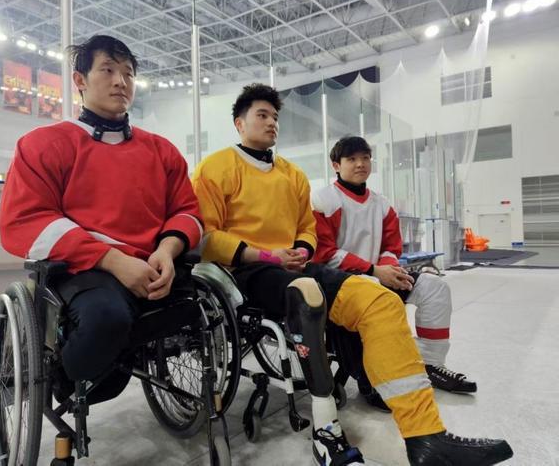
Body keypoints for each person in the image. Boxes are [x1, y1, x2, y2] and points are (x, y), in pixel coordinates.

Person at [192, 83, 513, 466]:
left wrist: (302, 250)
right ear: (239, 123)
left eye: (275, 116)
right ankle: (326, 428)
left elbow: (307, 228)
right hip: (247, 271)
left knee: (378, 299)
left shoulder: (292, 175)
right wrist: (267, 255)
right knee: (308, 296)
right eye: (262, 115)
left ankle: (426, 436)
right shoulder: (216, 168)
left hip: (296, 265)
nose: (272, 122)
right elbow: (206, 236)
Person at [0, 35, 203, 403]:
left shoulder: (162, 151)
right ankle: (65, 378)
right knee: (107, 321)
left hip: (155, 268)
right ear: (80, 80)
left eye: (128, 73)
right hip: (85, 270)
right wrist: (113, 260)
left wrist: (167, 251)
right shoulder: (44, 145)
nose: (120, 81)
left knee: (203, 307)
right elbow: (25, 218)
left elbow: (187, 211)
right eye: (107, 70)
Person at [312, 136, 476, 394]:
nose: (360, 164)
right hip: (341, 284)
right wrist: (375, 271)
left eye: (365, 158)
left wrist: (390, 270)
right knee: (372, 292)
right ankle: (372, 377)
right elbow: (324, 252)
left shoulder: (382, 204)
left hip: (378, 276)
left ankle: (431, 364)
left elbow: (392, 246)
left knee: (434, 287)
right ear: (336, 165)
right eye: (351, 159)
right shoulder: (323, 200)